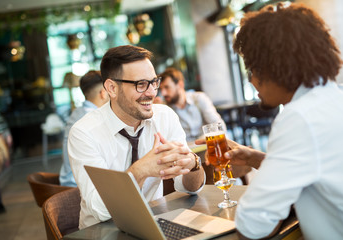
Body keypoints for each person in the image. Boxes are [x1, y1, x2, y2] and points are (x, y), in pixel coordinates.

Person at [197, 3, 343, 239]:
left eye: (251, 68)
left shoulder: (300, 118)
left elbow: (253, 226)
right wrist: (256, 159)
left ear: (273, 67)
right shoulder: (342, 95)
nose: (251, 81)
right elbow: (317, 171)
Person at [68, 45, 205, 229]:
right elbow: (99, 210)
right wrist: (140, 170)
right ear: (111, 88)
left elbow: (189, 187)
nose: (151, 92)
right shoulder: (84, 133)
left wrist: (194, 165)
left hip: (155, 224)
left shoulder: (165, 117)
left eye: (153, 82)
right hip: (104, 232)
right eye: (140, 84)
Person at [59, 70, 109, 187]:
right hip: (78, 188)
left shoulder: (77, 112)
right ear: (103, 93)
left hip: (68, 181)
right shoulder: (94, 119)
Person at [158, 67, 226, 142]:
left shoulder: (199, 99)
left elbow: (219, 126)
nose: (163, 93)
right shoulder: (165, 109)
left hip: (207, 146)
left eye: (167, 87)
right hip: (185, 152)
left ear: (180, 85)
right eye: (161, 89)